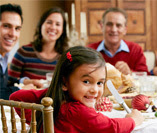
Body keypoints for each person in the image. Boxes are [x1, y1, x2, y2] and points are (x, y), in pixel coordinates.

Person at [10, 46, 144, 132]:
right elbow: (112, 127)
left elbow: (16, 97)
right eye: (86, 81)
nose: (95, 90)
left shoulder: (58, 102)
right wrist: (133, 120)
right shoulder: (77, 111)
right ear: (65, 83)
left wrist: (47, 96)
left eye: (99, 83)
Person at [8, 7, 68, 89]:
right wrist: (25, 81)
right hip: (26, 101)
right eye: (49, 22)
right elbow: (9, 82)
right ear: (41, 25)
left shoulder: (66, 57)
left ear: (63, 30)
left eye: (58, 24)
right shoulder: (24, 52)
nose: (53, 27)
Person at [88, 7, 149, 75]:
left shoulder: (136, 49)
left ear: (125, 29)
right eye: (109, 24)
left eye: (118, 25)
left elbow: (145, 76)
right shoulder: (89, 51)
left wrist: (130, 73)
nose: (114, 30)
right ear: (102, 27)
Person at [0, 3, 25, 100]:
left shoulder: (4, 56)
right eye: (6, 26)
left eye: (17, 28)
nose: (13, 34)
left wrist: (23, 82)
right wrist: (21, 90)